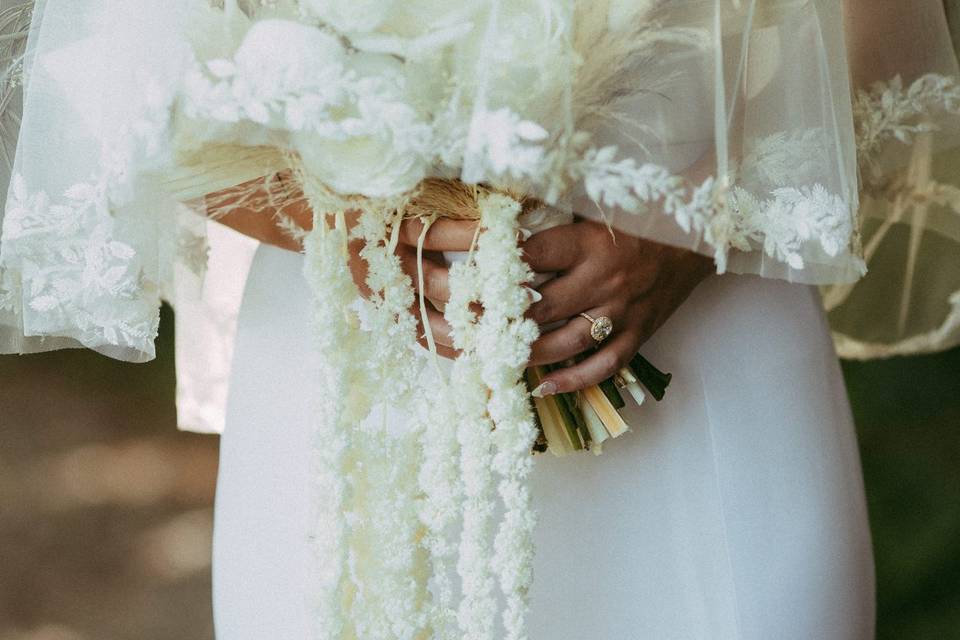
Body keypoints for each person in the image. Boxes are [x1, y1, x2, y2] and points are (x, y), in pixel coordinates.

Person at [2, 1, 960, 639]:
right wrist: (357, 222)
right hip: (351, 368)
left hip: (714, 318)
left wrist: (684, 227)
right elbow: (126, 72)